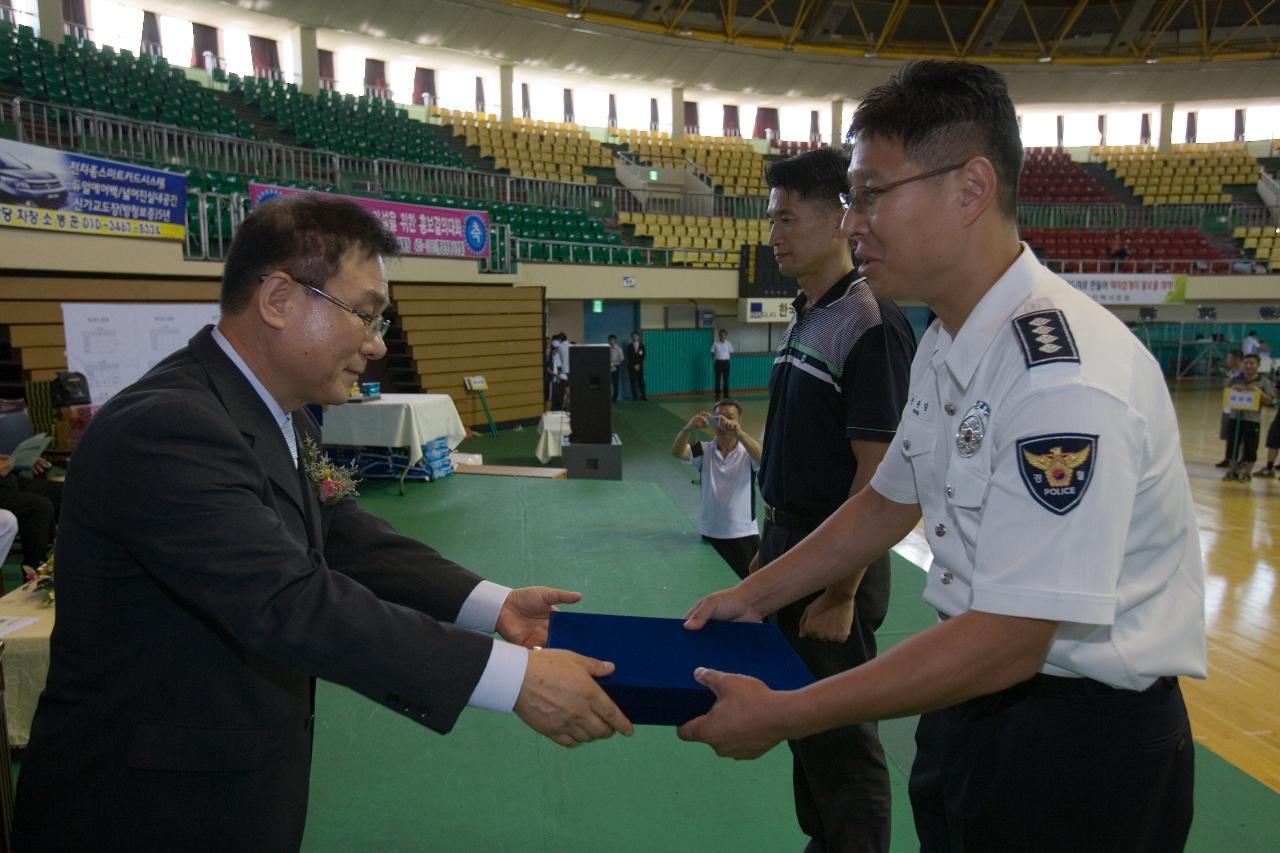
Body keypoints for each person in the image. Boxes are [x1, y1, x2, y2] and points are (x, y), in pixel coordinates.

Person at [679, 60, 1206, 853]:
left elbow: (1009, 636)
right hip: (971, 710)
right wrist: (753, 595)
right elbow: (888, 500)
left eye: (870, 193)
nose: (853, 222)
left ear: (970, 188)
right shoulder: (948, 337)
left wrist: (787, 710)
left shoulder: (1062, 380)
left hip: (1075, 745)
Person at [13, 195, 632, 853]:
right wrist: (511, 676)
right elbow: (289, 601)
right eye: (364, 314)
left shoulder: (282, 412)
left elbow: (340, 533)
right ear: (279, 298)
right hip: (142, 811)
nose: (373, 343)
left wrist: (492, 604)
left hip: (233, 792)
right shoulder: (167, 425)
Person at [749, 144, 917, 853]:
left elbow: (878, 473)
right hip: (790, 545)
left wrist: (841, 589)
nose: (774, 234)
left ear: (838, 218)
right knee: (803, 724)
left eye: (787, 218)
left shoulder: (870, 323)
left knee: (842, 738)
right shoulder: (808, 314)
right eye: (772, 219)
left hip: (836, 555)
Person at [670, 398, 762, 580]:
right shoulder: (703, 450)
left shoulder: (747, 453)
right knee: (710, 583)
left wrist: (740, 434)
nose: (724, 422)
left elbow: (763, 457)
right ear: (712, 423)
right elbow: (678, 451)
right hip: (710, 533)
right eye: (718, 418)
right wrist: (688, 429)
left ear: (739, 422)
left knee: (747, 585)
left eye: (730, 417)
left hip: (743, 534)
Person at [0, 451, 62, 567]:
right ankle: (35, 573)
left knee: (63, 493)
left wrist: (20, 460)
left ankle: (63, 562)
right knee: (39, 507)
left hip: (9, 479)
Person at [1224, 352, 1275, 481]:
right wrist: (1233, 390)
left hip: (1252, 419)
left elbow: (1269, 400)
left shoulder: (1264, 381)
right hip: (1235, 417)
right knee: (1232, 445)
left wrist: (1258, 392)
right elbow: (1226, 394)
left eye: (1252, 363)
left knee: (1250, 447)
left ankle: (1246, 472)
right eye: (1246, 363)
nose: (1248, 366)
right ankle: (1232, 470)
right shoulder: (1235, 379)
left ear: (1258, 365)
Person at [1216, 350, 1245, 468]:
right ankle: (1228, 458)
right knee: (1230, 435)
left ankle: (1242, 460)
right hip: (1228, 407)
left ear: (1237, 358)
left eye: (1229, 358)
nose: (1227, 361)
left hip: (1239, 409)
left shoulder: (1244, 373)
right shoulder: (1231, 372)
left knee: (1241, 437)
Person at [711, 329, 734, 398]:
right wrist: (716, 357)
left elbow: (731, 352)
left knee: (726, 379)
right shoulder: (715, 343)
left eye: (724, 335)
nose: (722, 336)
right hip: (718, 362)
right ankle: (717, 394)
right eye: (721, 335)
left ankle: (726, 394)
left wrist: (726, 358)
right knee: (717, 379)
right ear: (719, 335)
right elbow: (712, 352)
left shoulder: (728, 344)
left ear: (726, 336)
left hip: (726, 362)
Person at [626, 330, 647, 400]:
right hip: (631, 367)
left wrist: (638, 365)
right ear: (631, 338)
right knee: (632, 382)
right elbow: (629, 357)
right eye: (633, 337)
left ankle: (643, 396)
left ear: (638, 337)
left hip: (640, 367)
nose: (634, 338)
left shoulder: (642, 346)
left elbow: (643, 356)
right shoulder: (629, 347)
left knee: (641, 382)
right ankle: (635, 397)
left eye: (636, 336)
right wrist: (634, 365)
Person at [608, 333, 625, 401]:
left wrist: (613, 361)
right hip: (607, 367)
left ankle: (614, 398)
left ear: (615, 341)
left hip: (616, 366)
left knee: (615, 383)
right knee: (608, 382)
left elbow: (622, 358)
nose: (611, 341)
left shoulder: (619, 348)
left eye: (613, 340)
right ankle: (608, 397)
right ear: (608, 341)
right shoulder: (607, 348)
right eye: (610, 340)